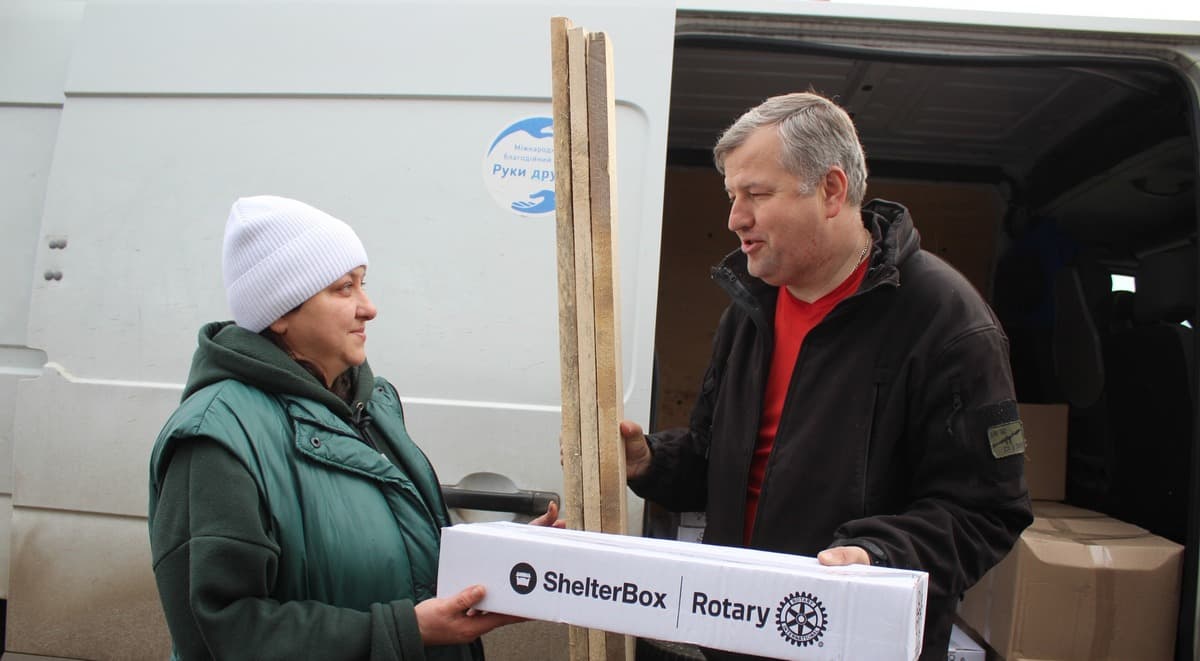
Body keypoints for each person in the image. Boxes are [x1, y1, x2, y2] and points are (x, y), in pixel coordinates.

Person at [620, 92, 1033, 660]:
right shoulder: (749, 310)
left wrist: (877, 556)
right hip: (737, 634)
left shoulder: (946, 321)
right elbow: (718, 460)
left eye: (756, 194)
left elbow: (988, 511)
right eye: (733, 196)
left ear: (832, 191)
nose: (735, 218)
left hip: (856, 644)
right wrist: (651, 461)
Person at [148, 195, 560, 661]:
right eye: (344, 288)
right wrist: (404, 631)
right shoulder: (215, 437)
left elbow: (394, 557)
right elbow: (220, 633)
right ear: (280, 312)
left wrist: (499, 562)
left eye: (363, 284)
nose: (369, 307)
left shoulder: (371, 403)